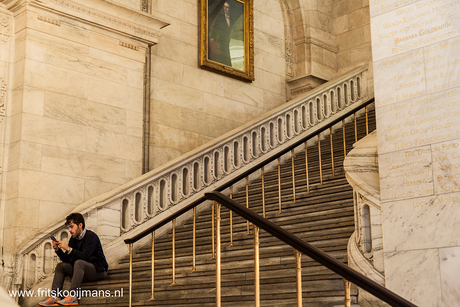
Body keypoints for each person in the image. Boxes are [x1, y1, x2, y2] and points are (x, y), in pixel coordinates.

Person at [38, 213, 108, 306]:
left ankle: (73, 296)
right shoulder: (73, 239)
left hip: (97, 270)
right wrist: (58, 250)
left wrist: (68, 249)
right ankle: (56, 296)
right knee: (61, 266)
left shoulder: (91, 237)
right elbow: (68, 260)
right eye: (69, 227)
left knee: (79, 262)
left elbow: (86, 256)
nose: (70, 230)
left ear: (80, 225)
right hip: (81, 271)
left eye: (72, 227)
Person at [209, 1, 233, 66]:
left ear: (229, 9)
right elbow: (215, 28)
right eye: (224, 7)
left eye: (227, 7)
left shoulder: (233, 19)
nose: (225, 8)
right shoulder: (220, 18)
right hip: (222, 42)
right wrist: (212, 37)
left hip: (230, 42)